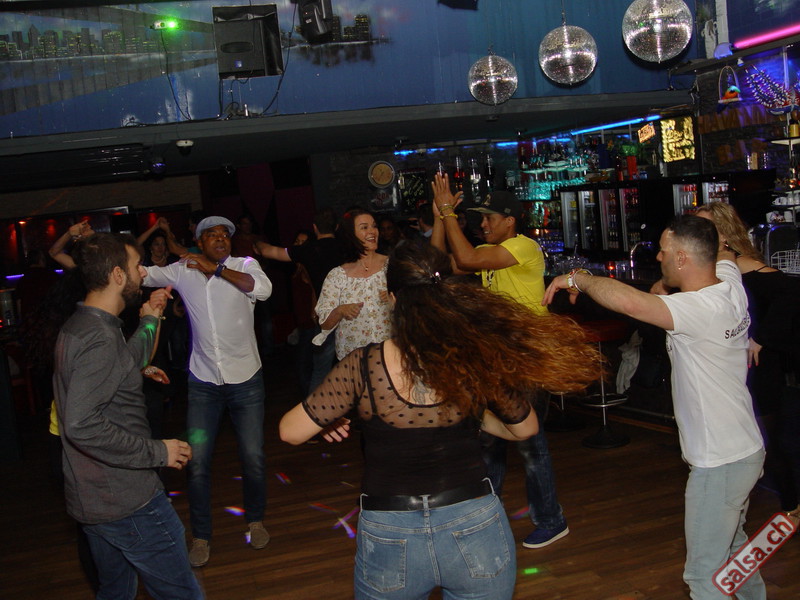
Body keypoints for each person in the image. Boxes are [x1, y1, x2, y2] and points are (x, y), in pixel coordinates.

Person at [278, 243, 600, 600]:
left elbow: (290, 431)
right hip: (474, 525)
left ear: (392, 298)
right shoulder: (472, 357)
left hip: (390, 531)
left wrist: (328, 419)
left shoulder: (363, 365)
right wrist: (471, 413)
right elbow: (525, 428)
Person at [543, 214, 766, 599]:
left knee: (704, 575)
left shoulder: (699, 308)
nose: (658, 256)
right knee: (734, 549)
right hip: (745, 449)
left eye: (664, 251)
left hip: (720, 463)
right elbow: (727, 256)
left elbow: (630, 302)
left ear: (682, 258)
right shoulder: (728, 284)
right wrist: (689, 254)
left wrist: (577, 278)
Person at [53, 232, 202, 600]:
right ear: (118, 275)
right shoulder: (99, 338)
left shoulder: (84, 325)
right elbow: (81, 424)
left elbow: (124, 363)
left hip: (95, 500)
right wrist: (159, 451)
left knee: (116, 591)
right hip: (127, 500)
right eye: (137, 266)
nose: (143, 272)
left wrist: (150, 319)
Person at [430, 173, 569, 549]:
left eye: (490, 218)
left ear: (510, 220)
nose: (483, 224)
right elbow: (438, 265)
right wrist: (441, 218)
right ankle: (484, 519)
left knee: (530, 442)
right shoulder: (488, 254)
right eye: (481, 218)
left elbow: (466, 258)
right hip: (500, 358)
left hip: (528, 357)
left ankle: (551, 519)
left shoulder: (523, 246)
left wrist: (449, 210)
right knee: (490, 439)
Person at [142, 216, 273, 568]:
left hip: (246, 381)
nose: (220, 239)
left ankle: (255, 520)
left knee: (253, 457)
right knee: (197, 462)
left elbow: (262, 290)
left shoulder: (245, 265)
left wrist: (216, 270)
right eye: (211, 235)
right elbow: (144, 274)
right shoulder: (182, 270)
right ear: (199, 242)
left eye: (224, 235)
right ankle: (201, 536)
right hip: (203, 383)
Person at [695, 202, 800, 520]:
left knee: (767, 438)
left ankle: (792, 506)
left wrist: (761, 338)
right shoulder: (707, 266)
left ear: (726, 233)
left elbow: (791, 293)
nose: (700, 233)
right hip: (728, 367)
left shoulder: (743, 265)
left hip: (756, 367)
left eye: (707, 227)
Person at [254, 207, 345, 389]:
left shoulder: (308, 250)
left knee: (320, 371)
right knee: (353, 368)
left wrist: (257, 243)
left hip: (326, 317)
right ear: (336, 227)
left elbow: (271, 252)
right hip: (351, 314)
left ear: (315, 228)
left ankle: (314, 406)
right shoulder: (347, 248)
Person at [313, 208, 391, 361]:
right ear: (350, 235)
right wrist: (340, 311)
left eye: (374, 226)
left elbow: (415, 303)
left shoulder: (392, 266)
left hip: (390, 355)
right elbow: (324, 324)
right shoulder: (337, 276)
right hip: (354, 360)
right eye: (364, 227)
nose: (372, 231)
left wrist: (396, 299)